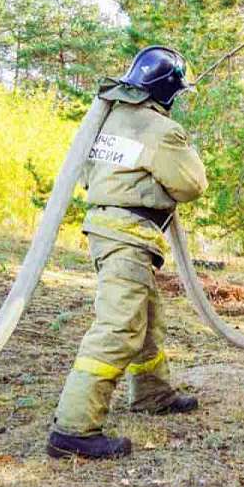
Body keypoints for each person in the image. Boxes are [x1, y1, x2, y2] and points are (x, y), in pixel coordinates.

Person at [47, 46, 208, 459]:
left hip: (108, 228)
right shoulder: (160, 129)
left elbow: (85, 172)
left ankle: (153, 394)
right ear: (169, 90)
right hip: (129, 234)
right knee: (119, 327)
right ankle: (74, 429)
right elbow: (191, 185)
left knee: (147, 318)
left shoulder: (107, 118)